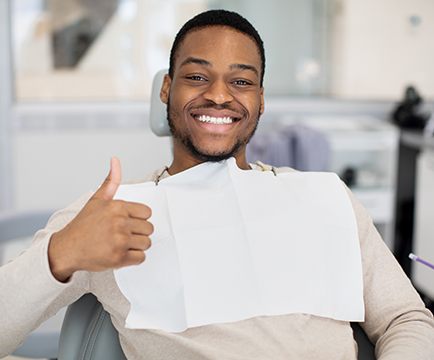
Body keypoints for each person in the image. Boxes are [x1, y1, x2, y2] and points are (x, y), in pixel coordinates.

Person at [1, 9, 434, 360]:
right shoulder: (115, 212)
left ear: (260, 100)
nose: (220, 96)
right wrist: (62, 254)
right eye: (196, 77)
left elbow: (405, 318)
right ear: (166, 89)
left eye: (241, 81)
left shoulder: (326, 199)